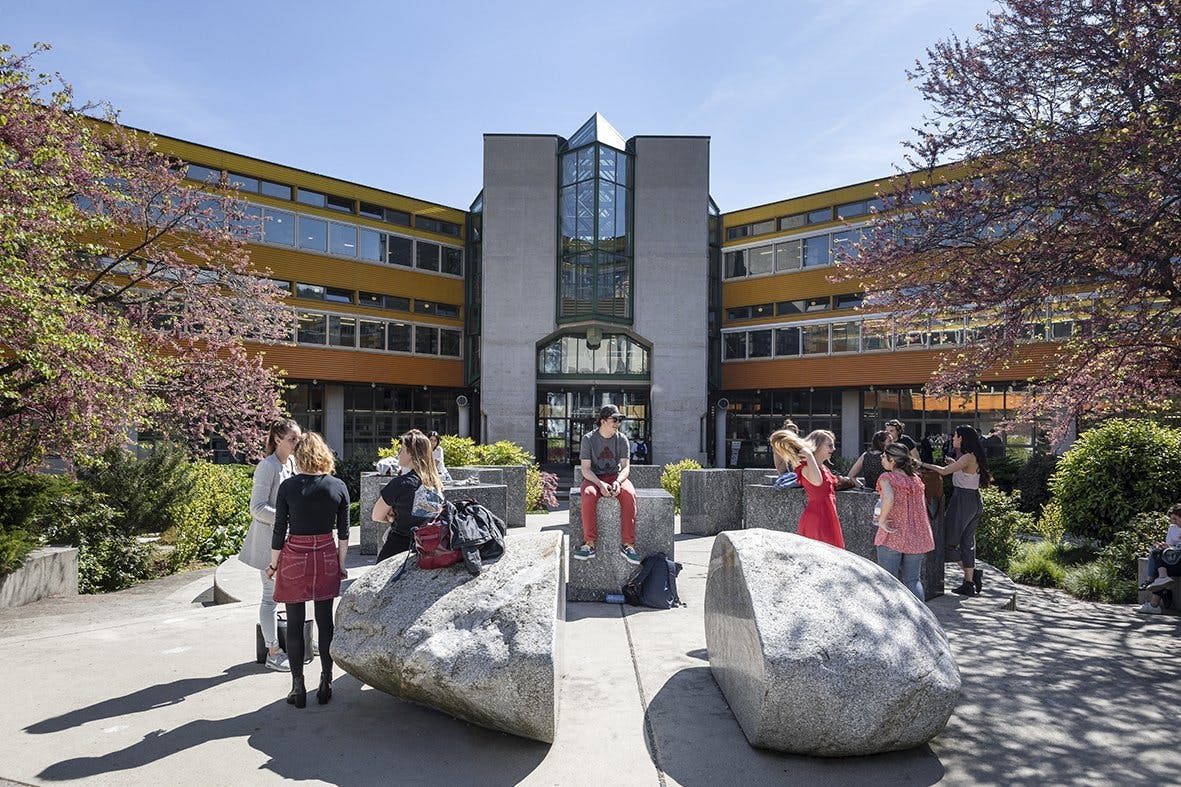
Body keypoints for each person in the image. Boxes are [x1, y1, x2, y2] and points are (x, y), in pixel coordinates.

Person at [268, 432, 350, 709]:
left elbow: (280, 530)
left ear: (298, 455)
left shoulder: (289, 487)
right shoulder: (337, 486)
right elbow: (344, 533)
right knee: (325, 621)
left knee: (294, 622)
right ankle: (326, 681)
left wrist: (273, 564)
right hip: (326, 553)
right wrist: (340, 564)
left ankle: (298, 686)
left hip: (295, 555)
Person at [238, 418, 301, 672]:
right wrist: (287, 517)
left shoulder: (292, 463)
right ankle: (273, 651)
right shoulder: (268, 466)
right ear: (277, 440)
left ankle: (297, 641)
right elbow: (257, 508)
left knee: (292, 595)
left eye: (298, 438)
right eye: (292, 439)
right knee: (270, 597)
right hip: (267, 544)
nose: (297, 443)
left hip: (287, 541)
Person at [921, 425, 990, 596]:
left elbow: (944, 472)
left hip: (963, 500)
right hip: (974, 500)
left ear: (962, 438)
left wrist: (921, 463)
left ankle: (973, 575)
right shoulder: (971, 457)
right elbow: (964, 471)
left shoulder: (967, 457)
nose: (953, 439)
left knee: (947, 543)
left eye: (955, 436)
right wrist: (955, 464)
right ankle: (968, 583)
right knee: (967, 543)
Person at [573, 404, 639, 565]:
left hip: (615, 477)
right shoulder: (588, 439)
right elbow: (586, 469)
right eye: (614, 419)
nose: (618, 423)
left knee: (629, 494)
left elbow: (625, 467)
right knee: (588, 495)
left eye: (619, 420)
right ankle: (589, 544)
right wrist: (599, 483)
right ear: (602, 421)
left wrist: (617, 482)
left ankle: (628, 545)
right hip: (593, 478)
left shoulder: (622, 439)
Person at [373, 429, 447, 562]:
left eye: (402, 449)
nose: (399, 453)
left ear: (411, 453)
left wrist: (391, 519)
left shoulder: (401, 483)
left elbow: (376, 515)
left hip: (398, 547)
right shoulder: (436, 484)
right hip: (429, 548)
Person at [874, 442, 935, 601]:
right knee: (913, 580)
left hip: (893, 532)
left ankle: (891, 618)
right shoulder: (916, 479)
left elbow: (889, 498)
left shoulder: (887, 477)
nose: (881, 459)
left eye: (883, 456)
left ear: (892, 460)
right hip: (917, 535)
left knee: (888, 580)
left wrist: (881, 520)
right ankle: (921, 620)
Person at [769, 428, 844, 548]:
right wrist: (809, 455)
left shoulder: (822, 467)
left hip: (827, 515)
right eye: (829, 446)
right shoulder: (807, 467)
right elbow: (818, 481)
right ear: (817, 446)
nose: (833, 449)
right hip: (818, 518)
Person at [1138, 502, 1181, 614]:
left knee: (1159, 562)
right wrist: (1166, 546)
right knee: (1158, 553)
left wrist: (1172, 547)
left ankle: (1153, 603)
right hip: (1174, 559)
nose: (1173, 522)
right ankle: (1162, 579)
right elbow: (1169, 548)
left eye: (1175, 519)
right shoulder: (1173, 528)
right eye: (1172, 519)